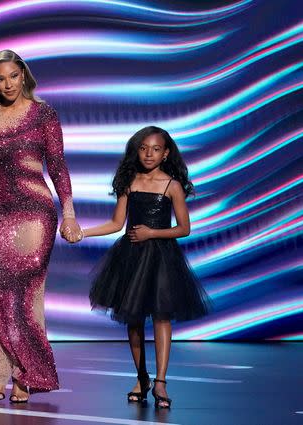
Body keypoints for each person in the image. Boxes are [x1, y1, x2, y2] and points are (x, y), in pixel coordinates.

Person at [0, 50, 80, 403]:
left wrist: (69, 213)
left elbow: (57, 165)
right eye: (0, 78)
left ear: (24, 76)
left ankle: (26, 374)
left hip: (35, 214)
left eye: (13, 76)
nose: (7, 84)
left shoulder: (43, 114)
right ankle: (0, 370)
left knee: (27, 296)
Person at [77, 126, 210, 408]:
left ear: (166, 153)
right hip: (131, 257)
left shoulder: (171, 186)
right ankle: (141, 376)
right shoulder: (129, 182)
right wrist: (83, 233)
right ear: (136, 151)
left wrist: (152, 233)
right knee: (133, 320)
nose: (149, 154)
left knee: (162, 317)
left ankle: (160, 382)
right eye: (143, 148)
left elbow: (184, 228)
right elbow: (116, 224)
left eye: (156, 149)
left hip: (161, 258)